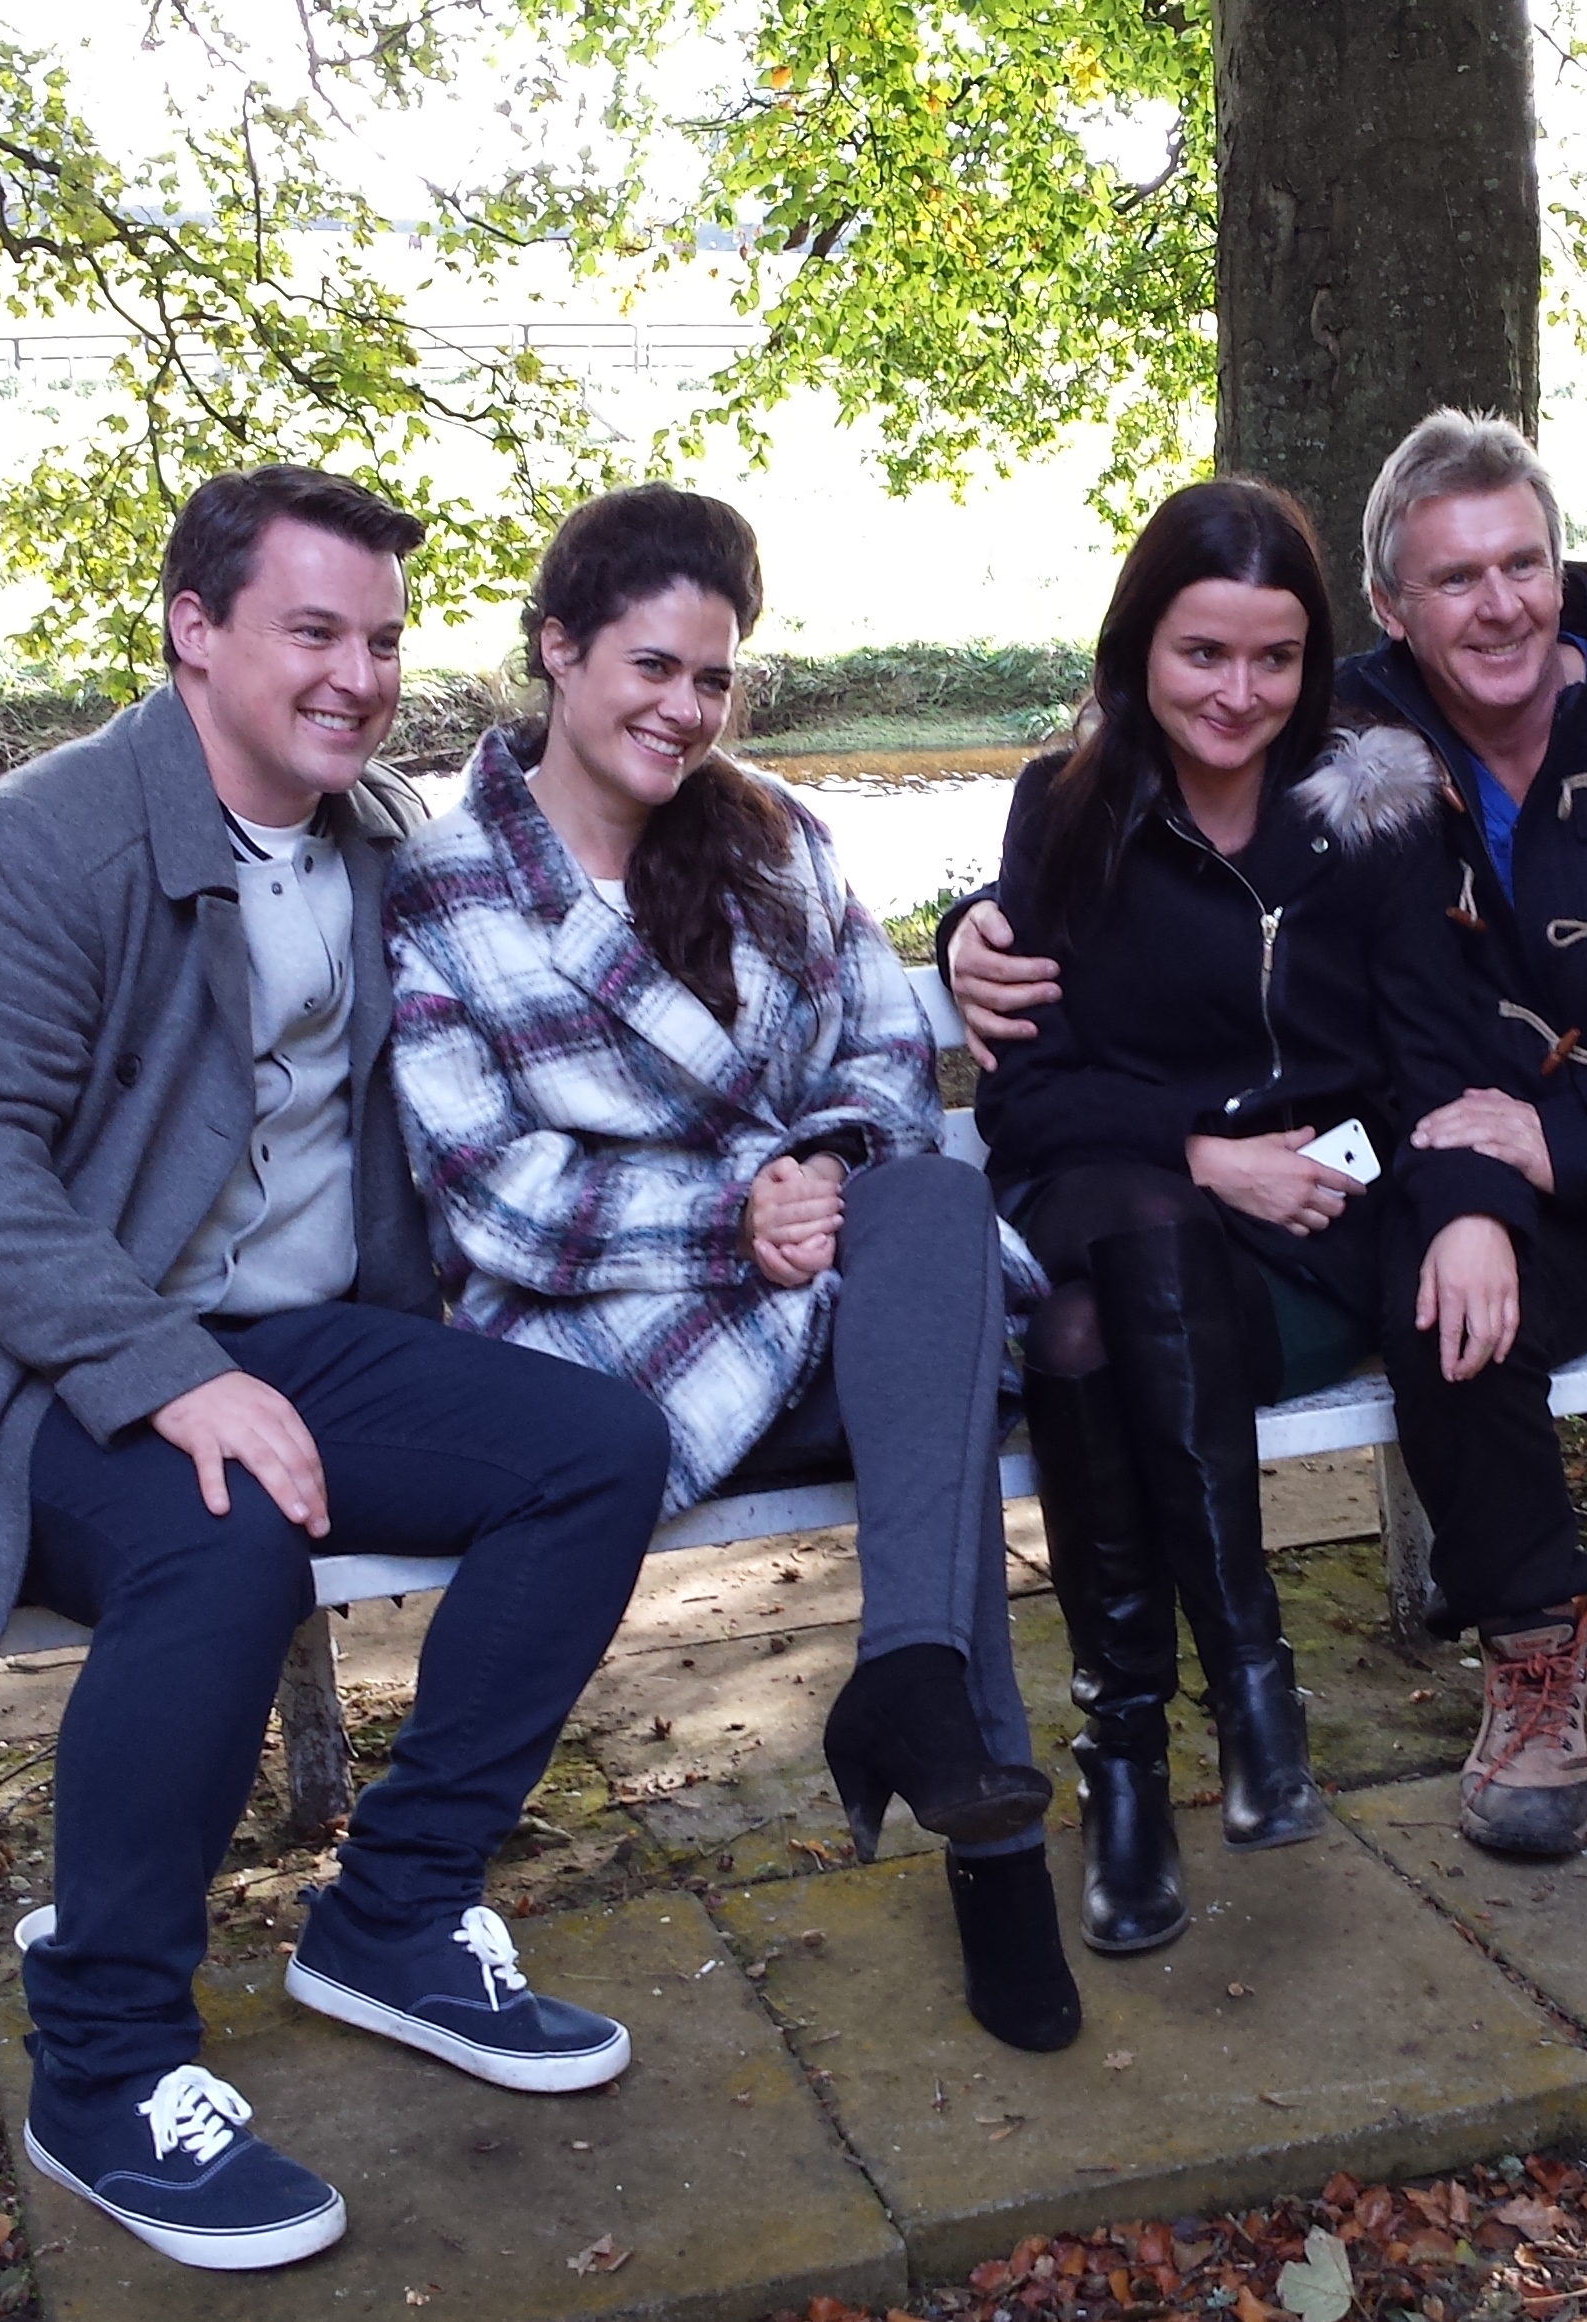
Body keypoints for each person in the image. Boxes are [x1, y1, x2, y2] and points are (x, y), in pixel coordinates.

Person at [0, 466, 674, 2275]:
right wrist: (163, 1371)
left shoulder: (373, 837)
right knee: (223, 1537)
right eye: (312, 630)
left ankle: (396, 1914)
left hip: (287, 1338)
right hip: (19, 1370)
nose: (359, 673)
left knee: (594, 1448)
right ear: (194, 631)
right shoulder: (44, 847)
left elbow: (572, 914)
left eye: (382, 640)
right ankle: (108, 2064)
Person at [950, 408, 1587, 1859]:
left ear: (1561, 571)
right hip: (1498, 1152)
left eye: (1523, 565)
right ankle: (1536, 1639)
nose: (1496, 604)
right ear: (1390, 607)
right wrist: (975, 931)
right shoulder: (1354, 732)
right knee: (1443, 1303)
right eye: (1454, 578)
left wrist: (1572, 1144)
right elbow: (1166, 817)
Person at [383, 483, 1081, 2052]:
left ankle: (910, 1676)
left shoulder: (770, 834)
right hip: (619, 1357)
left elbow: (891, 1063)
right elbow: (490, 1200)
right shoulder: (448, 890)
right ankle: (989, 1837)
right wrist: (731, 1213)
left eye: (713, 676)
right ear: (555, 651)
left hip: (835, 1309)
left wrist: (818, 1171)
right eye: (649, 667)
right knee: (942, 1399)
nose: (685, 710)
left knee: (931, 1223)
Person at [969, 478, 1534, 1954]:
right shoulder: (1069, 811)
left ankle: (1126, 1761)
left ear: (1313, 658)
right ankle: (1245, 1690)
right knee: (1124, 1258)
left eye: (1273, 658)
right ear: (1140, 649)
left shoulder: (1380, 816)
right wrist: (1204, 1156)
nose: (1237, 693)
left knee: (1090, 1335)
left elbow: (1432, 1060)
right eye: (1201, 653)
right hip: (1128, 1208)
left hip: (1311, 1237)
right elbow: (1024, 1107)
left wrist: (1460, 1203)